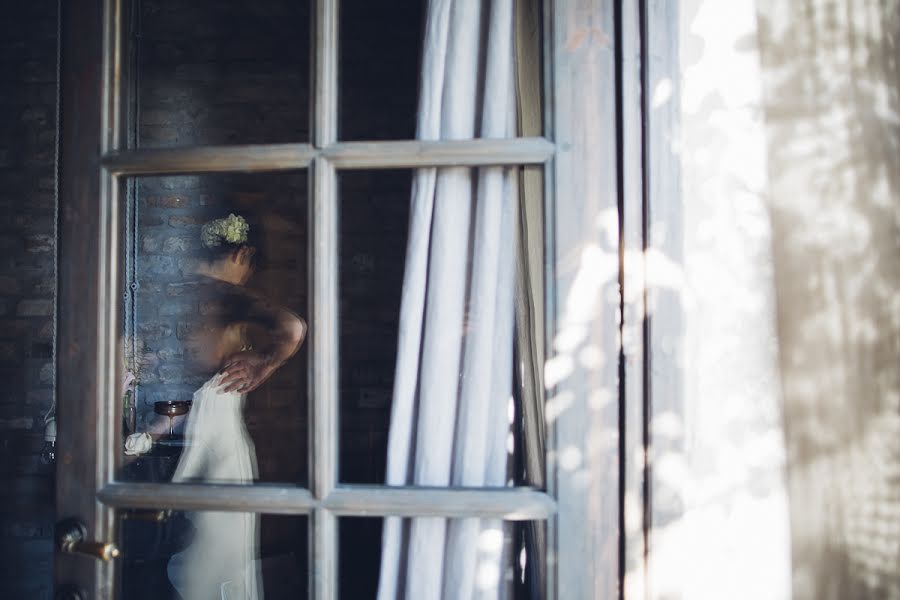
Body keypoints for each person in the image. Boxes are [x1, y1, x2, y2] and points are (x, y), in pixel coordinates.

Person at [167, 213, 306, 600]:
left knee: (190, 550)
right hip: (221, 449)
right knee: (216, 559)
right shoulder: (224, 294)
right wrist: (266, 364)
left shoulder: (174, 292)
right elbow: (293, 327)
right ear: (242, 253)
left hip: (185, 434)